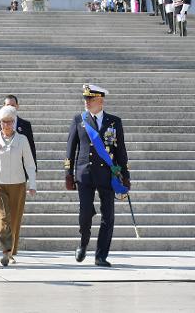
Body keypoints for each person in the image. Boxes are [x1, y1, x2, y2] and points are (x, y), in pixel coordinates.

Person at [64, 84, 130, 267]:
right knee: (85, 213)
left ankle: (101, 255)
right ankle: (83, 242)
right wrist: (68, 173)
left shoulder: (114, 121)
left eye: (90, 99)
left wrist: (125, 174)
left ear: (100, 101)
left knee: (108, 215)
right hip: (84, 173)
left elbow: (120, 150)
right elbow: (71, 148)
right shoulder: (79, 119)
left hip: (107, 174)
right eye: (85, 99)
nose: (86, 102)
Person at [0, 105, 36, 267]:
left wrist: (32, 184)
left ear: (14, 122)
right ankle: (5, 248)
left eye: (10, 122)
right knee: (2, 218)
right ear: (0, 123)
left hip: (18, 184)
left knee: (14, 220)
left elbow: (29, 164)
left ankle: (10, 252)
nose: (7, 125)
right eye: (4, 122)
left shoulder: (22, 140)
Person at [0, 95, 37, 177]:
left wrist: (33, 169)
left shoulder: (26, 125)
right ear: (3, 106)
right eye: (8, 105)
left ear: (17, 106)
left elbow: (31, 147)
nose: (10, 108)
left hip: (21, 171)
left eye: (13, 105)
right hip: (1, 170)